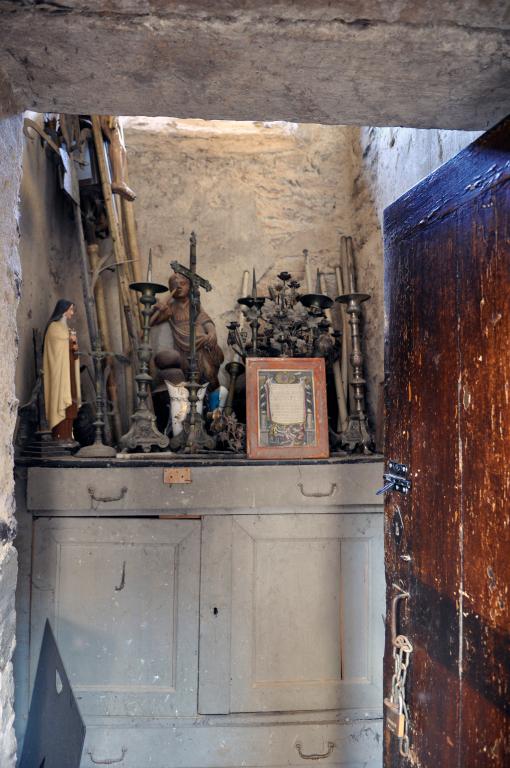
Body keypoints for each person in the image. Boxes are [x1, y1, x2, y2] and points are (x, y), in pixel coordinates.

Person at [150, 272, 224, 390]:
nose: (178, 287)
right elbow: (151, 322)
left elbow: (205, 319)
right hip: (182, 345)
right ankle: (193, 405)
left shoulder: (194, 304)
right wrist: (159, 308)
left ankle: (213, 403)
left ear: (189, 287)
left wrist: (212, 332)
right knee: (188, 375)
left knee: (208, 372)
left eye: (182, 283)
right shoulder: (171, 306)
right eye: (174, 285)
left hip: (201, 341)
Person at [43, 300, 81, 443]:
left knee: (71, 403)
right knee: (61, 401)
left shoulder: (66, 329)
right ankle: (60, 435)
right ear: (63, 310)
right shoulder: (54, 327)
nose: (72, 313)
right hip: (60, 373)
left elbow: (71, 348)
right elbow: (55, 347)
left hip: (69, 371)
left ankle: (68, 436)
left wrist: (74, 346)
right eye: (70, 310)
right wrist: (68, 341)